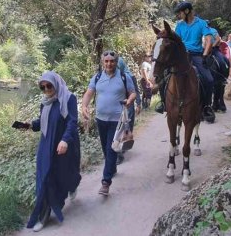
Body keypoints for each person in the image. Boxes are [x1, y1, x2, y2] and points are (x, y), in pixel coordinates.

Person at [16, 71, 81, 232]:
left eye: (49, 85)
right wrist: (29, 125)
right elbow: (42, 122)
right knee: (45, 178)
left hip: (63, 145)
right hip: (46, 146)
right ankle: (43, 216)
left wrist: (65, 140)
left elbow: (72, 122)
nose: (46, 89)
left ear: (56, 84)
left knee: (65, 175)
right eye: (42, 87)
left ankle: (72, 184)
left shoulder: (69, 98)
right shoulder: (45, 102)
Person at [81, 50, 136, 196]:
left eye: (112, 61)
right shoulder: (97, 77)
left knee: (111, 149)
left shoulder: (124, 77)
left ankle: (106, 182)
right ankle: (112, 168)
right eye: (106, 61)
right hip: (101, 119)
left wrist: (130, 100)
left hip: (117, 120)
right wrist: (84, 106)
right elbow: (89, 92)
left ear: (116, 62)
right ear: (103, 62)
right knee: (106, 149)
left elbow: (133, 92)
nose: (109, 63)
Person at [171, 0, 214, 119]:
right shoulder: (179, 25)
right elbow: (176, 41)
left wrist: (205, 55)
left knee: (209, 80)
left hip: (196, 55)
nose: (179, 16)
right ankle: (165, 103)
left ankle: (206, 106)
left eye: (180, 13)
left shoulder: (201, 23)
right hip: (182, 56)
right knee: (165, 74)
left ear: (187, 11)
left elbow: (209, 40)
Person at [116, 57, 141, 165]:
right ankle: (119, 151)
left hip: (129, 105)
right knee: (119, 128)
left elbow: (136, 90)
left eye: (117, 66)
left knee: (126, 126)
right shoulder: (114, 76)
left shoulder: (129, 76)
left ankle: (121, 150)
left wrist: (139, 104)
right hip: (118, 105)